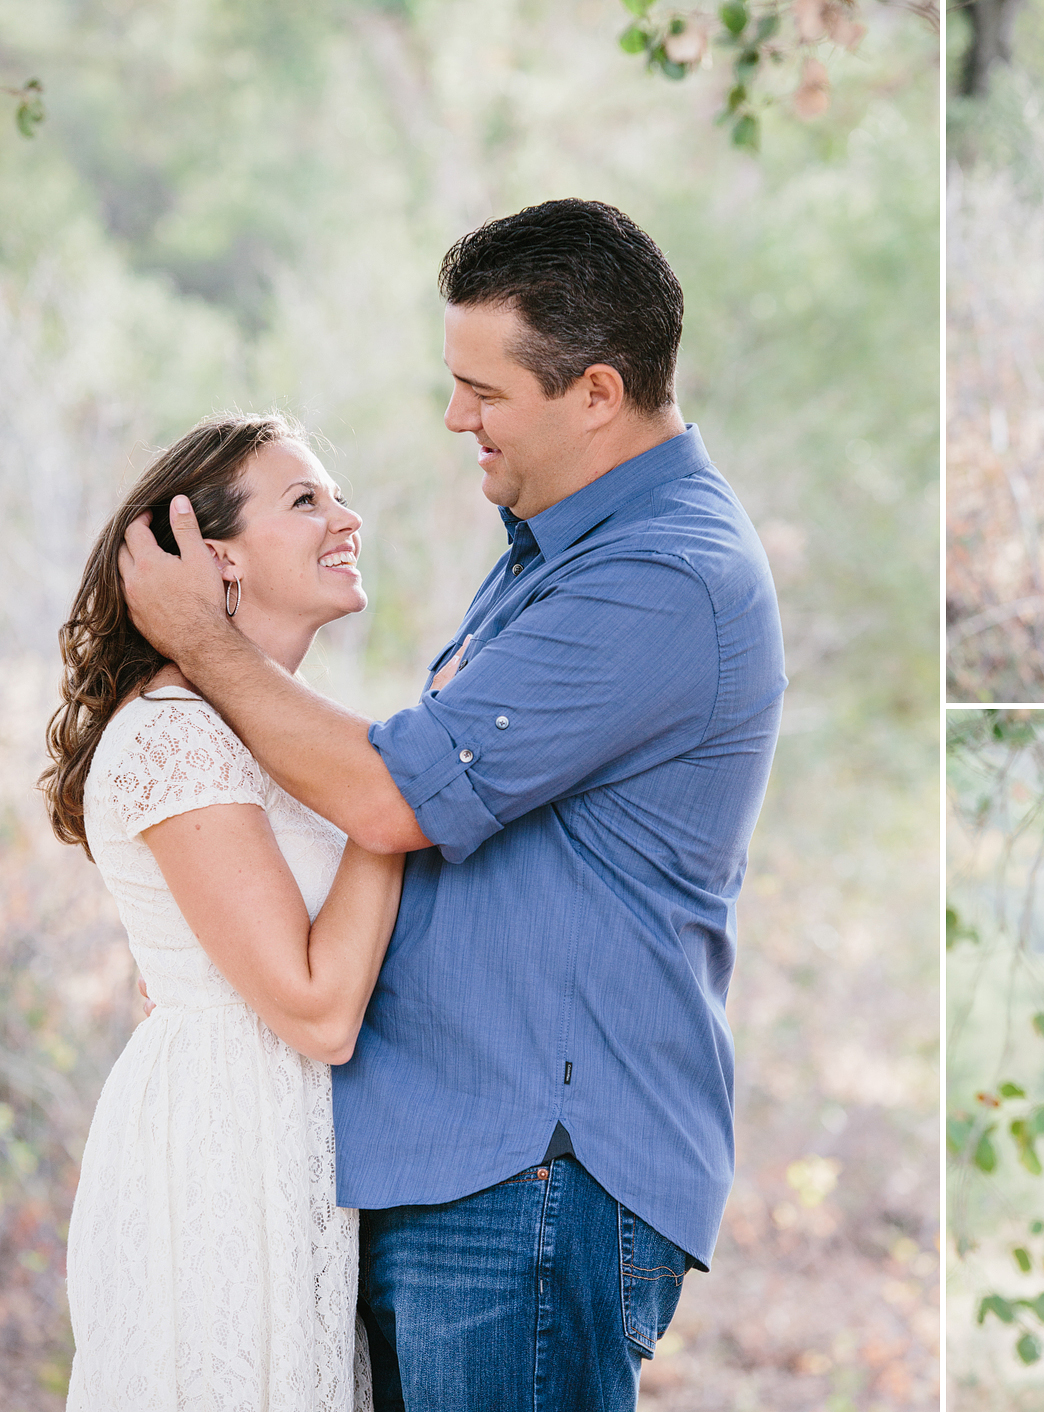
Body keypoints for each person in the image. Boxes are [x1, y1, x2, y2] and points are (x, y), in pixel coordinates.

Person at [117, 198, 786, 1410]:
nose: (454, 416)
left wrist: (201, 645)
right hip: (449, 1161)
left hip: (530, 1163)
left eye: (484, 390)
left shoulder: (660, 575)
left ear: (594, 391)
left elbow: (393, 795)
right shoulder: (554, 547)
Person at [47, 413, 402, 1409]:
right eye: (306, 501)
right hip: (221, 1149)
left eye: (333, 495)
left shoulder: (259, 731)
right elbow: (316, 1006)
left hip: (280, 1134)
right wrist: (396, 801)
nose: (347, 518)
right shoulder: (175, 737)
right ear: (216, 561)